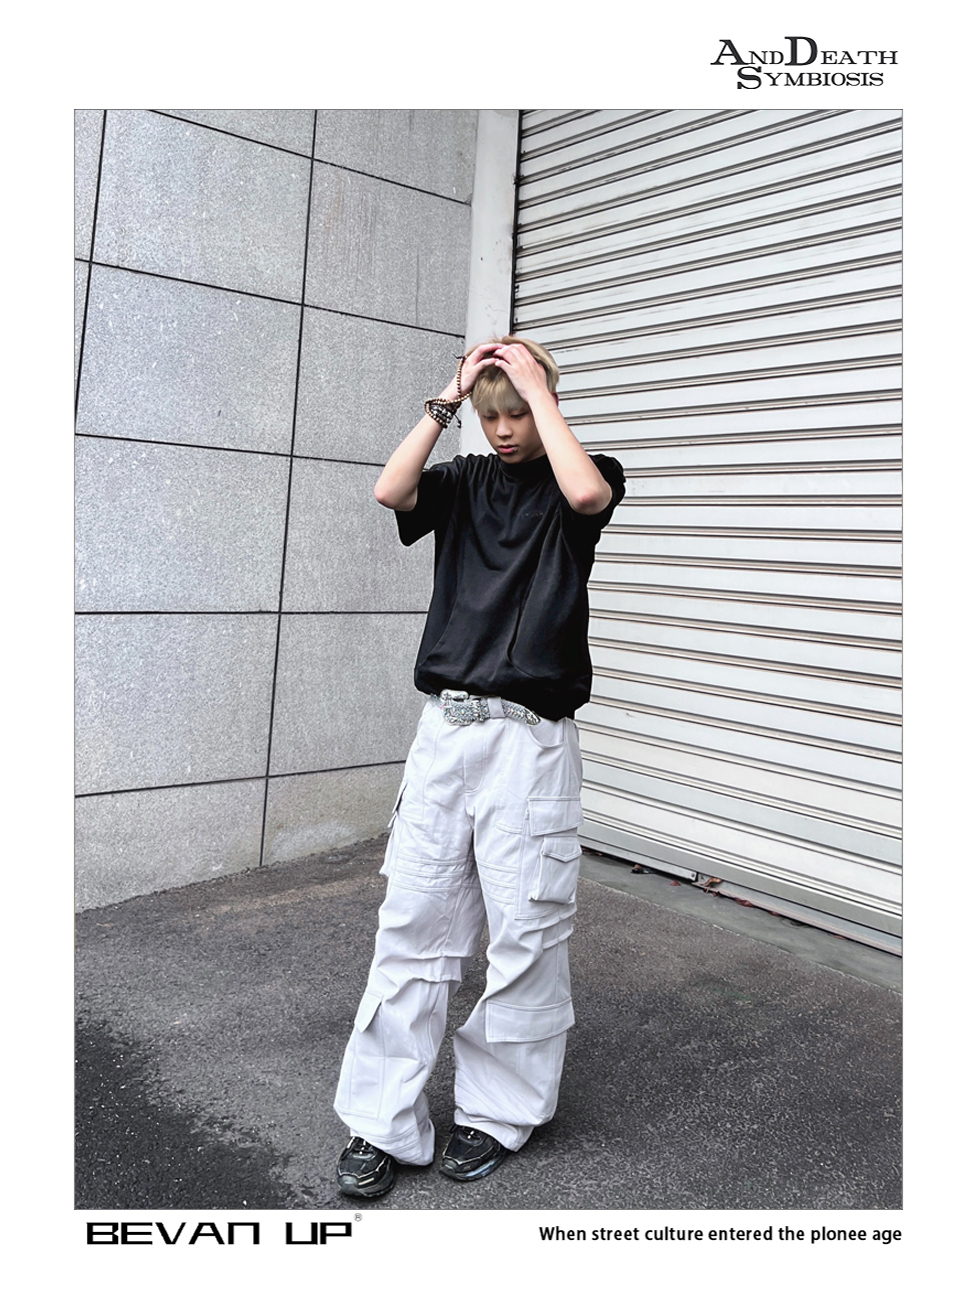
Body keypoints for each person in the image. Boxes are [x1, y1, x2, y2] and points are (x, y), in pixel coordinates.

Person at [334, 335, 626, 1198]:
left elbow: (585, 492)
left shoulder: (583, 476)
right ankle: (381, 1122)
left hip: (529, 742)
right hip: (446, 732)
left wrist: (537, 389)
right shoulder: (461, 480)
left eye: (515, 414)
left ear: (542, 407)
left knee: (526, 931)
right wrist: (448, 398)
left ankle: (498, 1113)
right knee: (412, 923)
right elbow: (390, 489)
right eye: (490, 415)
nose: (501, 429)